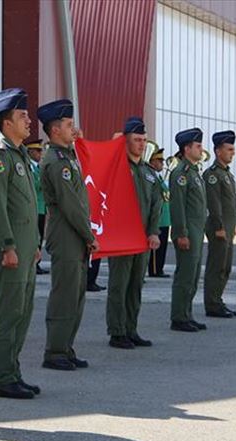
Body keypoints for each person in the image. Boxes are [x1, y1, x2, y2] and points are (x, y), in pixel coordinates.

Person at [0, 88, 42, 399]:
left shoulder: (20, 155)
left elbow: (26, 207)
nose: (29, 121)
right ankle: (1, 377)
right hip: (11, 250)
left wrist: (33, 244)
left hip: (25, 248)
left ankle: (13, 371)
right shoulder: (0, 156)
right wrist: (6, 246)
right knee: (9, 312)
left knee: (23, 311)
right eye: (22, 116)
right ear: (7, 123)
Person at [39, 99, 98, 370]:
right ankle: (55, 350)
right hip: (66, 234)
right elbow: (70, 204)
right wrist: (88, 234)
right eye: (68, 125)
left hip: (74, 234)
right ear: (54, 130)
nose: (73, 130)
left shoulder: (67, 157)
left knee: (76, 294)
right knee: (64, 294)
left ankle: (66, 346)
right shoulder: (55, 161)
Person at [106, 117, 161, 349]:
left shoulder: (148, 172)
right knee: (119, 284)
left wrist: (154, 232)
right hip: (121, 237)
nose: (141, 145)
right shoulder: (117, 167)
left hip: (142, 237)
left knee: (136, 284)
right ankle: (117, 331)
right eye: (136, 140)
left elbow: (156, 204)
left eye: (144, 140)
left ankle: (131, 328)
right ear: (126, 141)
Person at [168, 128, 208, 332]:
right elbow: (178, 206)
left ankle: (187, 313)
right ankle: (178, 317)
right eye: (198, 146)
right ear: (187, 148)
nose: (202, 149)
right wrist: (181, 233)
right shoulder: (180, 173)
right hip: (187, 230)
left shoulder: (194, 172)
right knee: (185, 274)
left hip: (197, 230)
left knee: (193, 275)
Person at [202, 130, 236, 318]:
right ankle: (212, 303)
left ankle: (218, 299)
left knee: (226, 267)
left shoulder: (227, 174)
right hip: (219, 229)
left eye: (233, 149)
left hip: (228, 229)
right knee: (217, 266)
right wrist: (219, 227)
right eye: (229, 149)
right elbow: (214, 204)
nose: (232, 152)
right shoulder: (213, 174)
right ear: (218, 151)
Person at [26, 139, 49, 275]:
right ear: (30, 152)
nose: (40, 154)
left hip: (42, 206)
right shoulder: (30, 167)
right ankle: (33, 263)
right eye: (38, 151)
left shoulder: (38, 167)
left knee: (39, 236)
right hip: (35, 206)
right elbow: (35, 184)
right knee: (35, 236)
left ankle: (37, 263)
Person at [147, 148, 171, 278]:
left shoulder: (160, 176)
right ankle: (155, 269)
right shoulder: (152, 176)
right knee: (156, 248)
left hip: (164, 217)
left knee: (163, 246)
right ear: (152, 161)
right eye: (159, 160)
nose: (162, 163)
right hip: (158, 218)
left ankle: (159, 268)